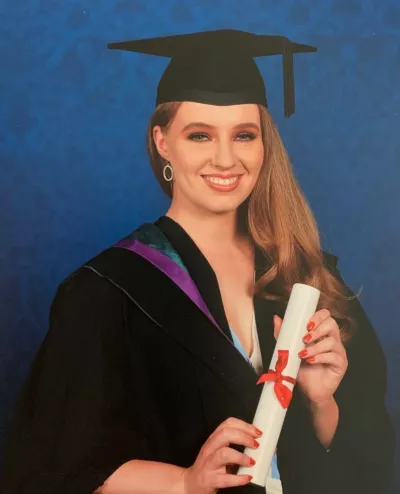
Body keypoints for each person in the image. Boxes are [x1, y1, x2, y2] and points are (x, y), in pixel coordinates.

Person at [1, 29, 394, 494]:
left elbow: (373, 464)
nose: (225, 159)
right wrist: (184, 483)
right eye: (200, 135)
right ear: (163, 141)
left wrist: (321, 403)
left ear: (264, 145)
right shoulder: (109, 290)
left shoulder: (306, 277)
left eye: (244, 135)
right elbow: (51, 465)